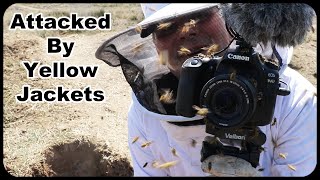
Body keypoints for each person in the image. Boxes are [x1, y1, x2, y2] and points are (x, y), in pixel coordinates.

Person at [95, 3, 317, 176]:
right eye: (167, 27)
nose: (185, 32)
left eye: (199, 16)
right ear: (155, 43)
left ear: (230, 19)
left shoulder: (297, 101)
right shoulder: (144, 113)